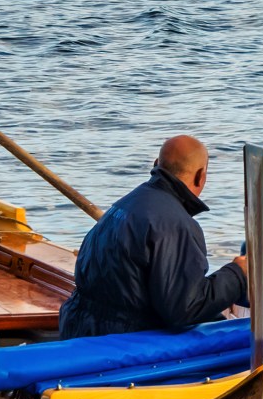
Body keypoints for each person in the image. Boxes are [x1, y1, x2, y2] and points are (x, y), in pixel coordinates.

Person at [57, 133, 250, 339]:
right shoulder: (176, 224)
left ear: (157, 164)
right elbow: (183, 310)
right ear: (200, 176)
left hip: (78, 327)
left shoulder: (125, 204)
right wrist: (237, 274)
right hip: (123, 341)